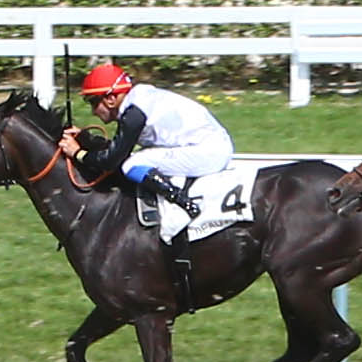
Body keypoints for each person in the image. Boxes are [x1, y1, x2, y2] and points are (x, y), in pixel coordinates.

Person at [74, 57, 240, 237]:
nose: (92, 111)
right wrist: (84, 138)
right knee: (139, 158)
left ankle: (181, 201)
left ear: (111, 99)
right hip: (210, 144)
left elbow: (112, 160)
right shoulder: (137, 101)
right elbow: (119, 146)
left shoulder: (134, 114)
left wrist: (78, 153)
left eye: (93, 102)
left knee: (132, 165)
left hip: (208, 153)